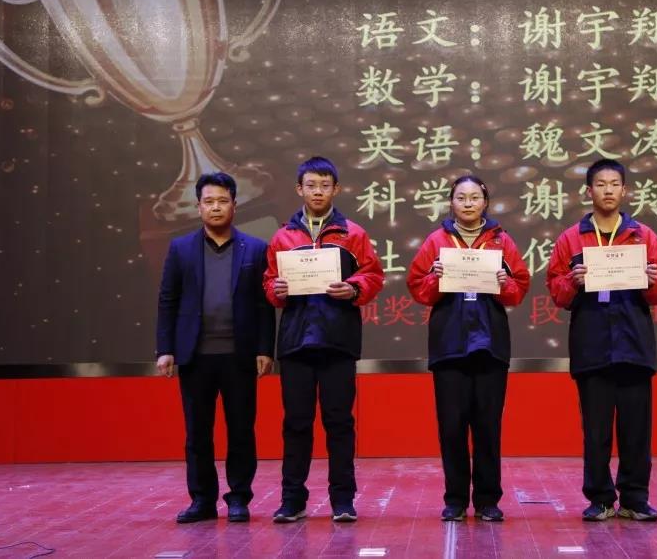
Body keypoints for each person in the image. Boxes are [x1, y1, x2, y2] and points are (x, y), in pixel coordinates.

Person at [546, 158, 657, 522]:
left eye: (614, 184)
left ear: (624, 190)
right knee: (596, 430)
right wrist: (573, 282)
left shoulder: (643, 236)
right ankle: (600, 498)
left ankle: (635, 498)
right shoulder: (571, 238)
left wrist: (652, 281)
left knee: (636, 430)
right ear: (589, 191)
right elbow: (556, 290)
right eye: (600, 184)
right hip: (592, 344)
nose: (607, 190)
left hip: (634, 344)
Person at [264, 157, 384, 523]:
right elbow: (269, 283)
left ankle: (342, 500)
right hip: (296, 343)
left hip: (338, 342)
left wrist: (353, 288)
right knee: (296, 423)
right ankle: (292, 500)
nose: (318, 192)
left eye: (325, 185)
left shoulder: (353, 233)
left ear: (336, 189)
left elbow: (373, 275)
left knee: (339, 422)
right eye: (311, 185)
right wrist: (276, 290)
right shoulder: (283, 236)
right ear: (299, 189)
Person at [407, 175, 530, 522]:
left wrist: (505, 284)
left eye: (474, 197)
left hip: (490, 345)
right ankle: (456, 500)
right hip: (449, 346)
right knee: (452, 427)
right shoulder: (436, 241)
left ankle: (488, 500)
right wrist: (435, 278)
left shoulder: (502, 240)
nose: (468, 203)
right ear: (451, 202)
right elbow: (417, 287)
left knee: (488, 427)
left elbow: (520, 287)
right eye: (461, 198)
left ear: (485, 202)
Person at [155, 172, 276, 524]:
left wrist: (265, 348)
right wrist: (165, 349)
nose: (216, 207)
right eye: (208, 201)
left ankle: (238, 498)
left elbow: (263, 305)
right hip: (195, 356)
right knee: (197, 433)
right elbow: (168, 300)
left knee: (241, 431)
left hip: (240, 355)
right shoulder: (180, 248)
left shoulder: (255, 248)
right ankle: (202, 501)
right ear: (198, 207)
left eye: (223, 201)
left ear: (235, 205)